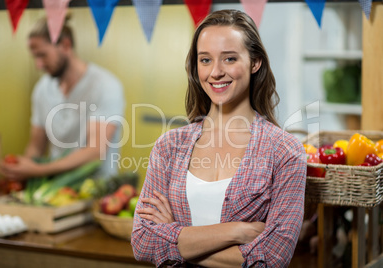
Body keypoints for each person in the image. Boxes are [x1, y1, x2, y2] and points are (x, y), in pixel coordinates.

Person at [131, 9, 306, 267]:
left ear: (255, 62)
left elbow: (271, 258)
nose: (215, 72)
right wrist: (237, 232)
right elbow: (143, 241)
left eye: (229, 59)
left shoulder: (285, 150)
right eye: (205, 60)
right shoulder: (169, 146)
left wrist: (174, 234)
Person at [0, 16, 125, 180]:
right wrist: (21, 169)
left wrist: (38, 170)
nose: (39, 65)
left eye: (43, 55)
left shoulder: (105, 85)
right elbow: (36, 147)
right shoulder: (42, 89)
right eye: (35, 57)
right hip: (53, 190)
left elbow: (95, 151)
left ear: (65, 45)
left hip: (96, 191)